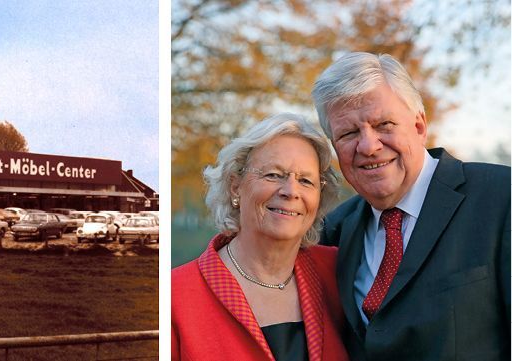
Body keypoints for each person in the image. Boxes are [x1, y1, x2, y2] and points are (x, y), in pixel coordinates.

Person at [312, 52, 510, 360]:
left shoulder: (501, 197)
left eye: (384, 124)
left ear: (419, 126)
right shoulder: (333, 231)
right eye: (349, 133)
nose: (368, 146)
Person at [172, 113, 348, 361]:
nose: (290, 191)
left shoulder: (339, 272)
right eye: (273, 175)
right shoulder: (176, 296)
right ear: (235, 186)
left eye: (306, 180)